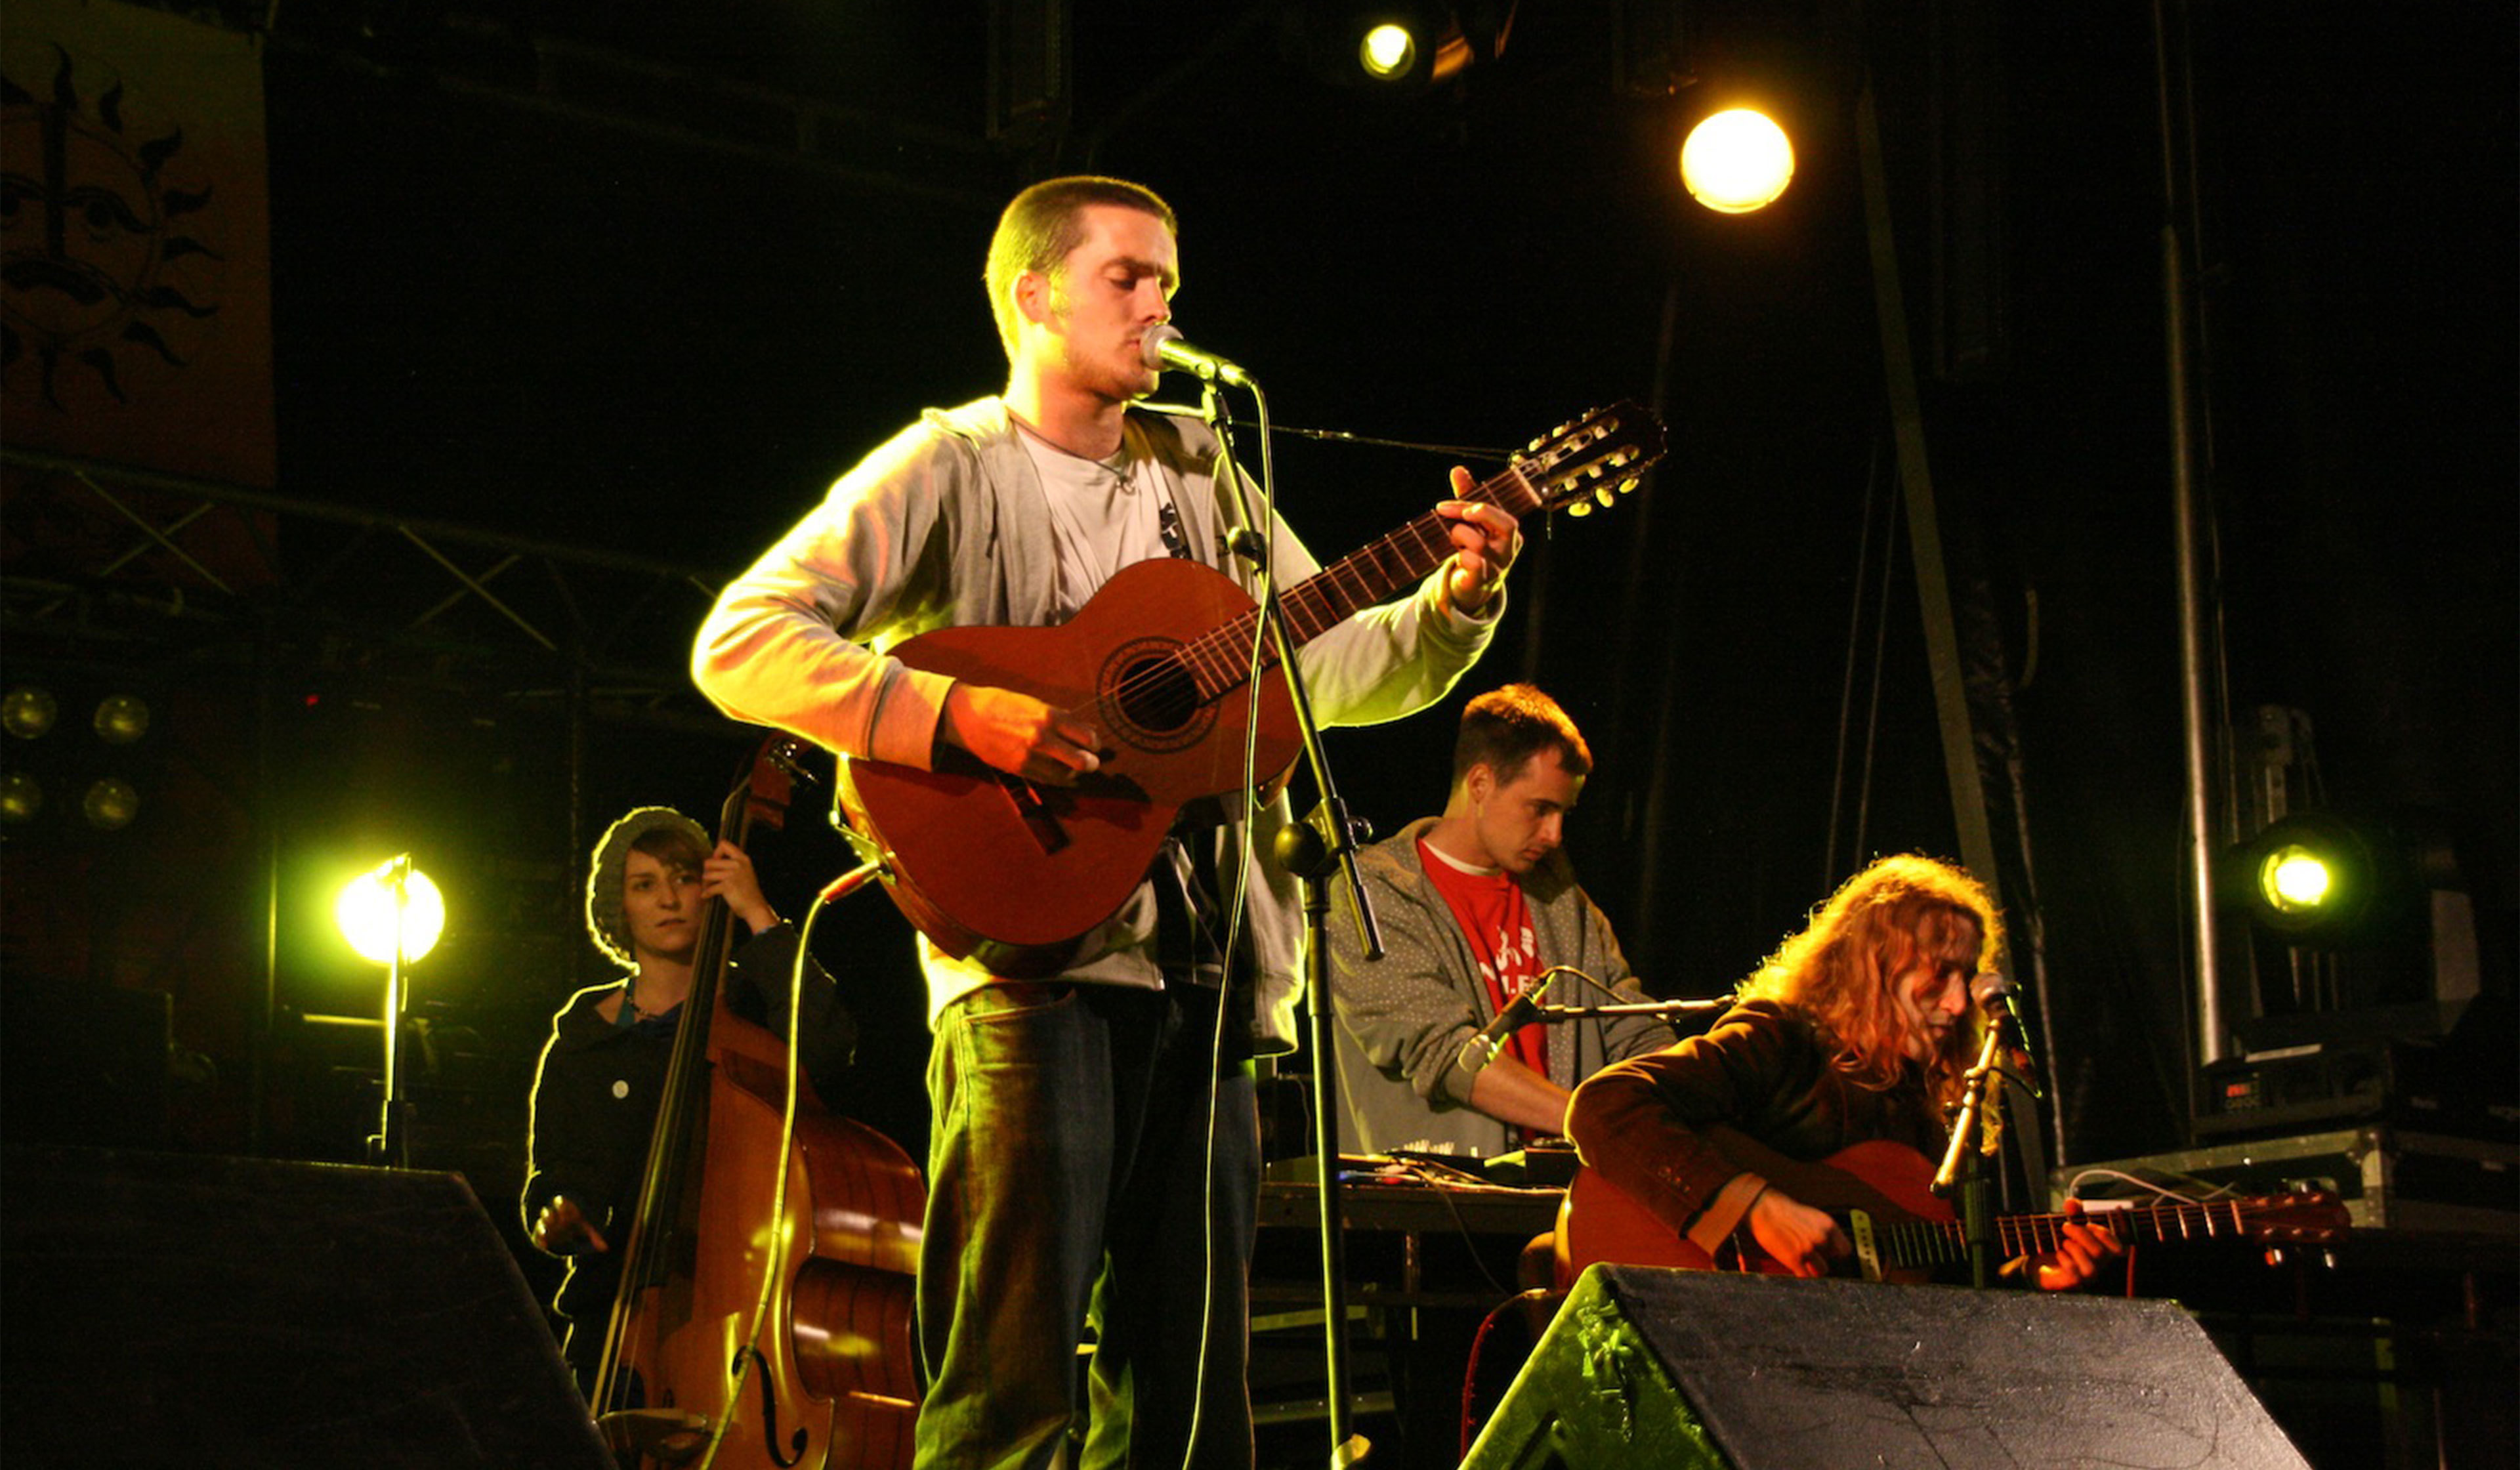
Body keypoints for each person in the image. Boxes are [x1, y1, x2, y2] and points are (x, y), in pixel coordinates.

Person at [688, 176, 1519, 1470]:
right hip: (1035, 983)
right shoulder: (951, 465)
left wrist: (1455, 603)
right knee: (1011, 1395)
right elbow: (740, 641)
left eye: (1168, 282)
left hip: (1215, 981)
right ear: (1033, 297)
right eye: (1127, 277)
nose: (1159, 307)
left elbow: (1328, 673)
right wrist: (959, 715)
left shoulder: (1204, 468)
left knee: (1191, 1409)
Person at [1563, 853, 2121, 1290]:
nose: (1959, 1004)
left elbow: (1939, 1278)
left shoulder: (1934, 1109)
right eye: (1939, 974)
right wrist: (1755, 1209)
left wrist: (2033, 1274)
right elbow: (1605, 1105)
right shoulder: (1781, 1038)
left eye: (1967, 977)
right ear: (1875, 969)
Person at [520, 805, 857, 1390]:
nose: (669, 899)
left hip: (742, 1323)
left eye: (684, 878)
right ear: (620, 908)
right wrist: (561, 1214)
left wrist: (757, 913)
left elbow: (829, 1046)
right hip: (618, 1325)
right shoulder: (584, 1042)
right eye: (644, 885)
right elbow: (556, 1175)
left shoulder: (756, 1015)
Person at [1330, 683, 1675, 1158]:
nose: (1554, 835)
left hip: (1562, 1186)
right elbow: (1444, 1053)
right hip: (1443, 1191)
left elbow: (1630, 1028)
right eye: (1541, 809)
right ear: (1480, 784)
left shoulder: (1563, 901)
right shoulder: (1372, 892)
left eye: (1563, 813)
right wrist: (1589, 1122)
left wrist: (1683, 1092)